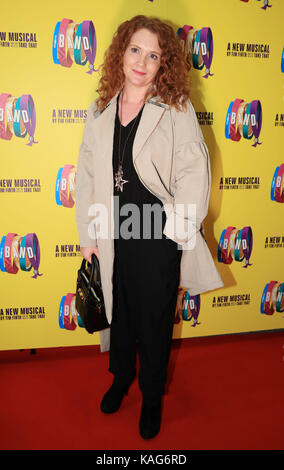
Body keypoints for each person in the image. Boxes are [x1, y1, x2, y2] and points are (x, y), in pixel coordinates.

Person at [75, 15, 223, 440]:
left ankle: (152, 394)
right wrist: (89, 236)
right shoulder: (99, 110)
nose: (142, 61)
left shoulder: (175, 108)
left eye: (153, 55)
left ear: (164, 65)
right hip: (112, 232)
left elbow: (195, 168)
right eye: (135, 50)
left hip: (157, 234)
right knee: (118, 312)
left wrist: (178, 230)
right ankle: (121, 378)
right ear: (121, 53)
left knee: (155, 319)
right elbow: (86, 175)